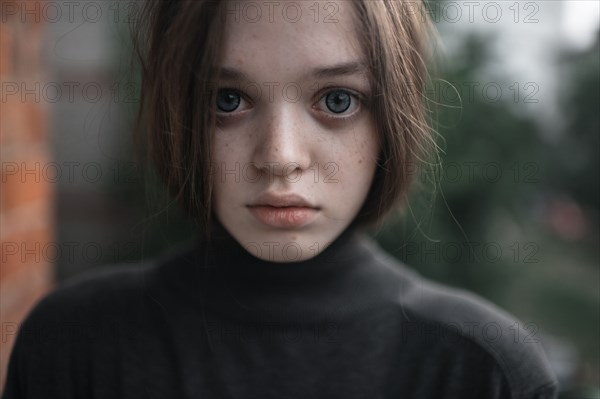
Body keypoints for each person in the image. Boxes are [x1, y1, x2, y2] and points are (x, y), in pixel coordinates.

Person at [2, 1, 558, 398]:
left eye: (337, 100)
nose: (280, 157)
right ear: (179, 113)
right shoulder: (73, 344)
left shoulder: (482, 370)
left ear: (393, 116)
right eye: (228, 99)